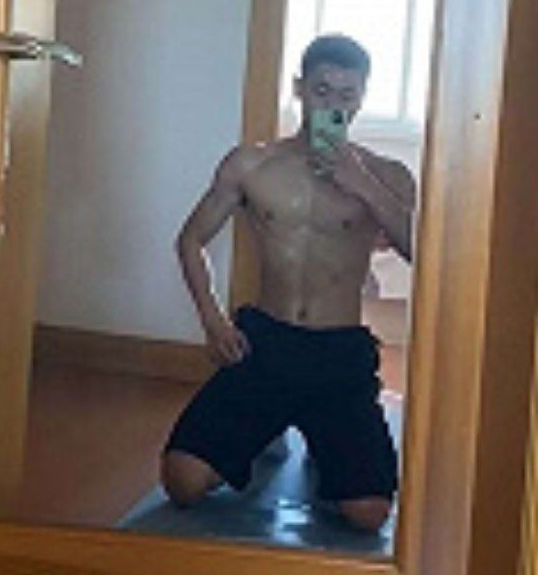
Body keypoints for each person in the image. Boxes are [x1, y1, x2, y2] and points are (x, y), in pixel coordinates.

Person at [162, 34, 416, 533]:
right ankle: (266, 435)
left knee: (367, 515)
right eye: (321, 91)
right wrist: (213, 321)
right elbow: (191, 240)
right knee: (182, 483)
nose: (333, 106)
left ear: (362, 97)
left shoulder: (388, 175)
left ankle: (323, 448)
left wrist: (361, 184)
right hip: (267, 343)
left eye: (346, 95)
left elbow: (422, 252)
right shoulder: (251, 164)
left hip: (339, 351)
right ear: (300, 89)